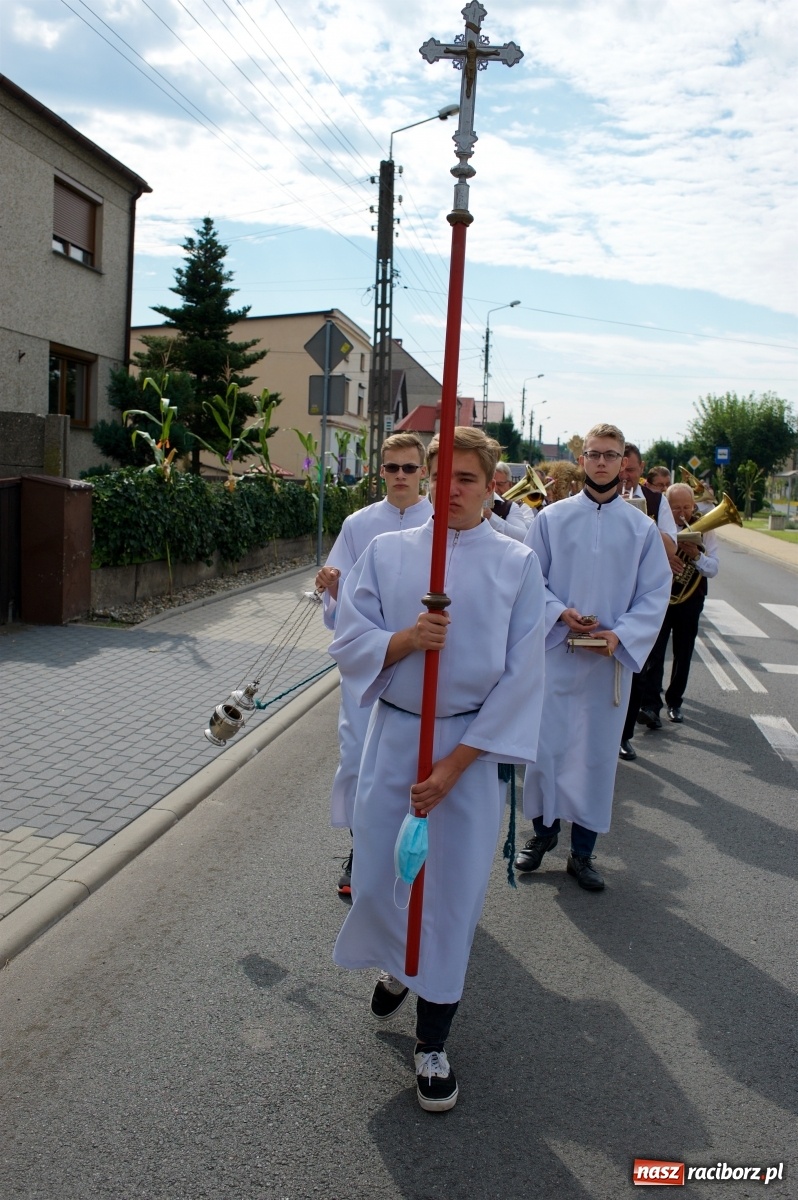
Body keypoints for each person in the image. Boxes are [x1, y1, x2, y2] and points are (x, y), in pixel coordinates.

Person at [329, 427, 545, 1112]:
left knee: (449, 896)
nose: (451, 489)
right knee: (380, 876)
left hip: (468, 752)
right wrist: (405, 639)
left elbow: (521, 678)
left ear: (491, 487)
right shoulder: (390, 553)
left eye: (468, 479)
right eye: (442, 473)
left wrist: (455, 765)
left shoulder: (515, 565)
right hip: (394, 737)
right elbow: (349, 636)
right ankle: (397, 965)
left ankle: (432, 1041)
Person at [516, 423, 671, 889]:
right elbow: (529, 582)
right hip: (557, 654)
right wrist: (560, 612)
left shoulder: (641, 529)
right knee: (546, 751)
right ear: (581, 459)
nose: (601, 462)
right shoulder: (551, 519)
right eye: (593, 454)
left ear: (622, 462)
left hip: (607, 664)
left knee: (595, 758)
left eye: (610, 455)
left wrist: (620, 636)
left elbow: (655, 593)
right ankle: (542, 836)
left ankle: (583, 853)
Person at [315, 432, 432, 895]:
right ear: (380, 471)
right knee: (358, 762)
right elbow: (341, 600)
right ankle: (360, 851)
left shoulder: (441, 522)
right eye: (391, 468)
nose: (400, 476)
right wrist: (330, 584)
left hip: (419, 661)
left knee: (409, 769)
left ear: (423, 471)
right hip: (368, 664)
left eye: (409, 468)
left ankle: (413, 855)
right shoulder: (358, 523)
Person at [637, 482, 719, 724]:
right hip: (661, 597)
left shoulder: (707, 529)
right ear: (666, 506)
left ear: (694, 505)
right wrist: (667, 558)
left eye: (686, 506)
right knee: (655, 652)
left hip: (690, 599)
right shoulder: (659, 527)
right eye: (675, 508)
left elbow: (713, 569)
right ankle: (651, 705)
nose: (682, 513)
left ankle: (675, 702)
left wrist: (695, 555)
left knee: (684, 652)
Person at [618, 445, 678, 757]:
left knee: (637, 668)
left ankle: (624, 735)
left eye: (631, 470)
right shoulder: (599, 498)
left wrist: (643, 518)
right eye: (621, 469)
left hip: (639, 596)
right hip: (608, 597)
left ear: (641, 469)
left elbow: (670, 547)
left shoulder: (656, 500)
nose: (625, 477)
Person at [486, 461, 527, 540]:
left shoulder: (513, 506)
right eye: (492, 484)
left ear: (510, 485)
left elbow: (523, 537)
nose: (495, 489)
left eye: (500, 484)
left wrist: (491, 517)